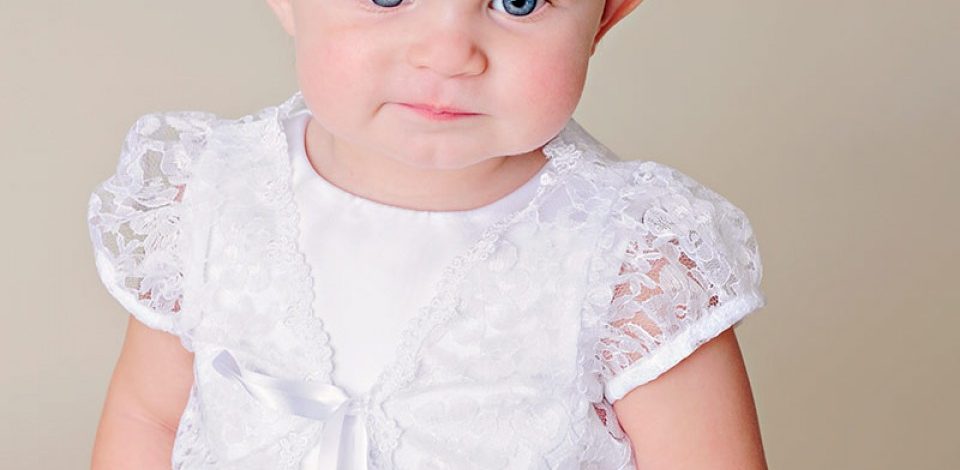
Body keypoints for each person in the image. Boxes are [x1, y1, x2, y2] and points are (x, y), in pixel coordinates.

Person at [88, 0, 769, 468]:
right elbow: (148, 418)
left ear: (608, 12)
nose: (448, 54)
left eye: (518, 2)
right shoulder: (212, 193)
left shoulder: (632, 256)